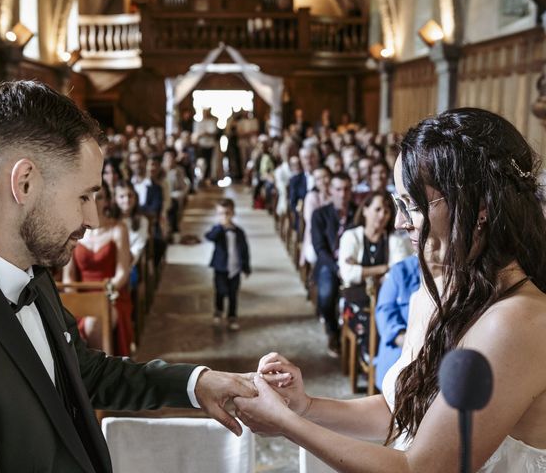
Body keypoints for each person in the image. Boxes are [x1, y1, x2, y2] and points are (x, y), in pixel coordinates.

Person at [0, 80, 256, 473]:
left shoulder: (31, 268)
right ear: (25, 183)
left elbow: (78, 372)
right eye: (84, 196)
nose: (92, 219)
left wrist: (195, 383)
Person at [233, 107, 546, 471]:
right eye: (398, 203)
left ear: (479, 208)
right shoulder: (435, 289)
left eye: (411, 205)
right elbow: (399, 412)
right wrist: (305, 407)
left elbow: (423, 468)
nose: (399, 223)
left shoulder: (517, 321)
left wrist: (287, 424)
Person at [63, 181, 134, 356]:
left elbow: (122, 273)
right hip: (82, 294)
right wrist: (78, 298)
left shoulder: (118, 229)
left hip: (112, 294)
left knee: (96, 320)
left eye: (100, 197)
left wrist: (106, 291)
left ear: (108, 201)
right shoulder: (74, 231)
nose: (95, 202)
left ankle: (100, 371)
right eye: (89, 197)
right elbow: (68, 277)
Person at [311, 172, 355, 356]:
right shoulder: (320, 214)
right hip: (329, 264)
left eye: (346, 189)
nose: (342, 194)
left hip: (352, 264)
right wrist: (337, 268)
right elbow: (320, 248)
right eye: (338, 189)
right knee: (326, 294)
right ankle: (332, 331)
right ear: (330, 191)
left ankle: (358, 338)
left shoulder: (358, 212)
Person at [374, 255, 420, 390]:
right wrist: (410, 343)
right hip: (402, 349)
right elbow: (385, 314)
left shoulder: (458, 274)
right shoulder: (401, 271)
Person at [205, 198, 251, 332]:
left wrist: (246, 267)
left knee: (233, 294)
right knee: (220, 291)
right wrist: (220, 226)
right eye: (221, 213)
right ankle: (218, 311)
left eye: (227, 213)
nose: (224, 216)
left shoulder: (239, 232)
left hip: (235, 268)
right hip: (221, 268)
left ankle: (232, 316)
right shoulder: (217, 229)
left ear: (233, 213)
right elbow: (209, 237)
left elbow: (245, 250)